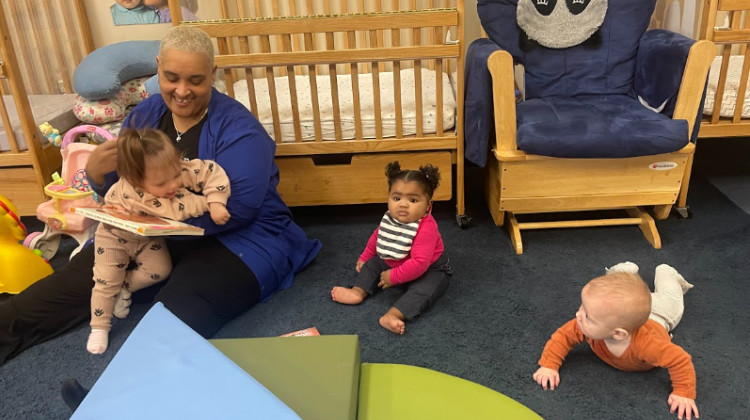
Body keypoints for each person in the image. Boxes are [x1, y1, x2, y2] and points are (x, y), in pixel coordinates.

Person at [0, 25, 321, 366]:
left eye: (196, 80)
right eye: (171, 78)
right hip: (147, 234)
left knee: (174, 318)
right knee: (70, 285)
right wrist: (96, 175)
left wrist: (156, 218)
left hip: (237, 239)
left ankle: (119, 398)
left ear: (213, 74)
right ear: (158, 68)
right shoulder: (144, 114)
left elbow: (239, 207)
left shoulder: (241, 130)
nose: (182, 91)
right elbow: (122, 186)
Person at [87, 128, 231, 354]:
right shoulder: (130, 192)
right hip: (114, 237)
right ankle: (99, 326)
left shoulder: (174, 171)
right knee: (105, 282)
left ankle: (125, 285)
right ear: (136, 180)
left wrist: (216, 201)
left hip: (147, 238)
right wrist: (205, 204)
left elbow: (210, 171)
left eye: (175, 176)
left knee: (160, 270)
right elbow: (180, 208)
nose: (173, 185)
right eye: (161, 184)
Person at [532, 263, 698, 420]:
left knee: (672, 298)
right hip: (622, 309)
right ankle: (623, 271)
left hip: (660, 314)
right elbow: (562, 337)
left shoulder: (649, 345)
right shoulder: (583, 325)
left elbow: (680, 361)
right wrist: (549, 365)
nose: (578, 315)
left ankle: (666, 272)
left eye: (588, 316)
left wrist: (683, 393)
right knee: (614, 290)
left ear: (617, 333)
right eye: (582, 306)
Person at [331, 161, 452, 335]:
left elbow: (420, 263)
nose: (403, 204)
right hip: (397, 261)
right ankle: (358, 291)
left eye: (413, 200)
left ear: (428, 206)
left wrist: (394, 276)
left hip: (429, 270)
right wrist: (365, 257)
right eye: (396, 198)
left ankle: (393, 314)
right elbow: (377, 238)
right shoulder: (390, 218)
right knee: (373, 264)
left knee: (426, 289)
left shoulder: (426, 228)